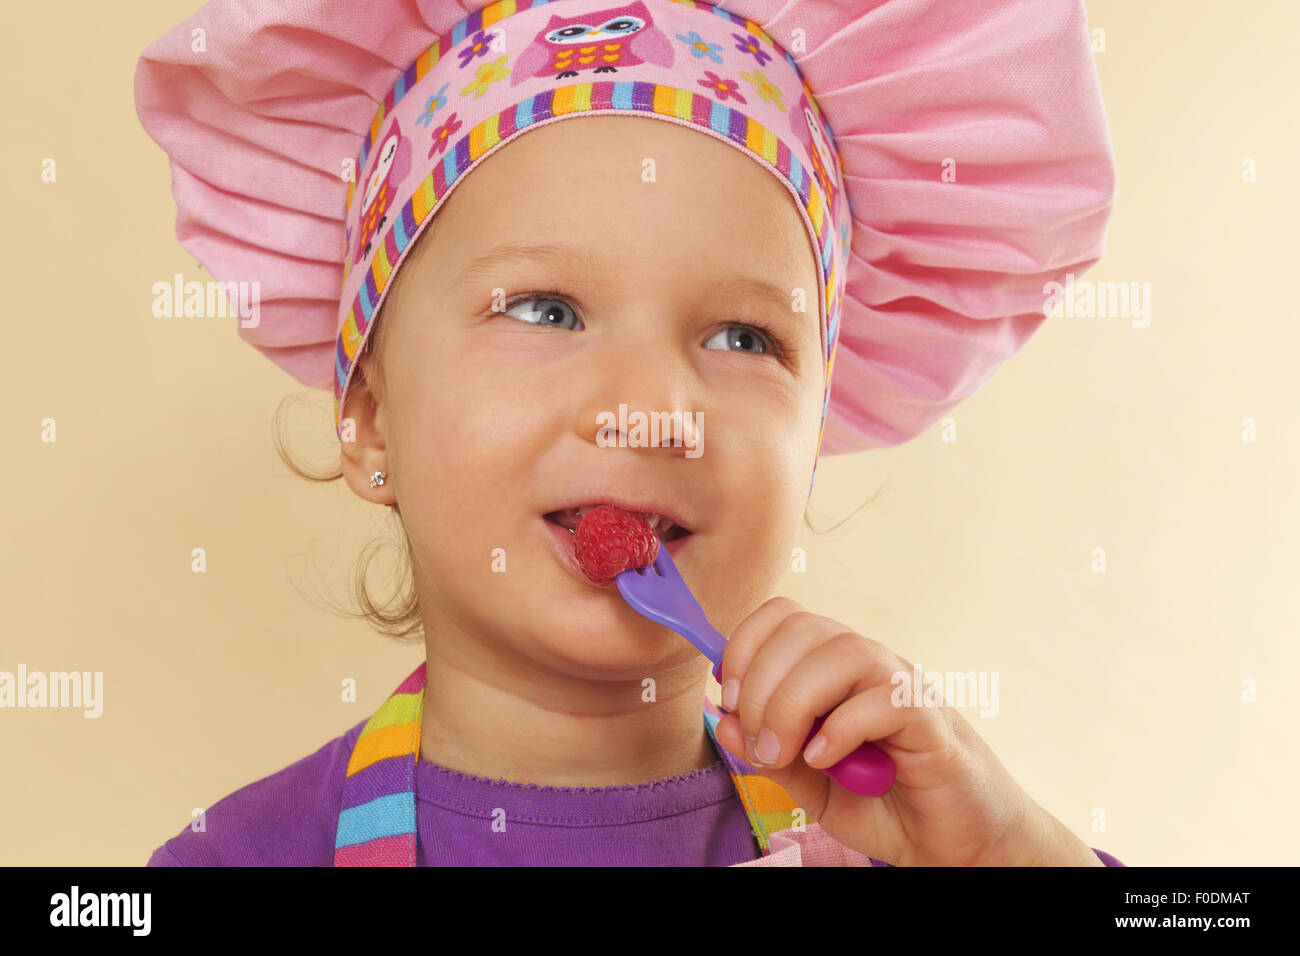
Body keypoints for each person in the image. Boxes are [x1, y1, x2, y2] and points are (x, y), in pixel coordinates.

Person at [135, 0, 1122, 867]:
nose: (650, 407)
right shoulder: (233, 858)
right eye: (546, 309)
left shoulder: (913, 837)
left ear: (815, 434)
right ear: (369, 420)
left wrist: (1004, 852)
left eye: (744, 337)